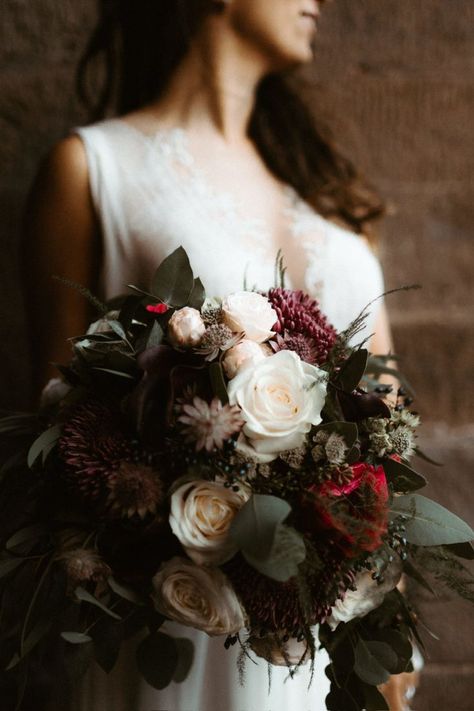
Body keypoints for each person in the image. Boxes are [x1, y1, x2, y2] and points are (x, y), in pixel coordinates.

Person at [23, 1, 418, 709]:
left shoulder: (332, 200)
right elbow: (52, 447)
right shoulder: (94, 171)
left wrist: (392, 627)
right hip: (187, 630)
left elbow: (389, 436)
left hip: (336, 644)